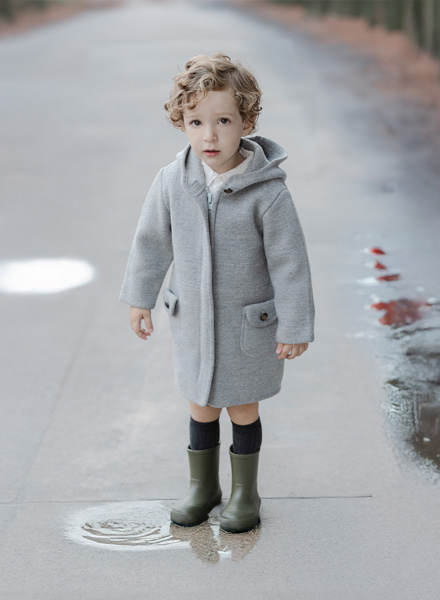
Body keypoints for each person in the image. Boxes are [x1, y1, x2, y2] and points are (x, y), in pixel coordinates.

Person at [119, 53, 315, 534]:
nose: (210, 135)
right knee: (200, 403)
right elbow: (151, 242)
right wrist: (140, 297)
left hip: (247, 326)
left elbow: (290, 263)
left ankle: (245, 493)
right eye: (196, 122)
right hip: (193, 322)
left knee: (242, 406)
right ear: (182, 123)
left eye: (223, 121)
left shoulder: (267, 193)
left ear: (246, 121)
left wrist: (295, 325)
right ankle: (202, 487)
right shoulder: (172, 182)